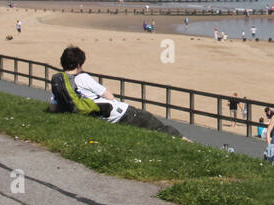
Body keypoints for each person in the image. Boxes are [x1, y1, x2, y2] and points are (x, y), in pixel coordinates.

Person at [48, 45, 183, 137]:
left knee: (155, 128)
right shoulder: (83, 78)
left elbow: (53, 108)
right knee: (159, 127)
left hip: (105, 114)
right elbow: (109, 96)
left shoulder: (59, 82)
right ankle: (188, 143)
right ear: (79, 65)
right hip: (121, 113)